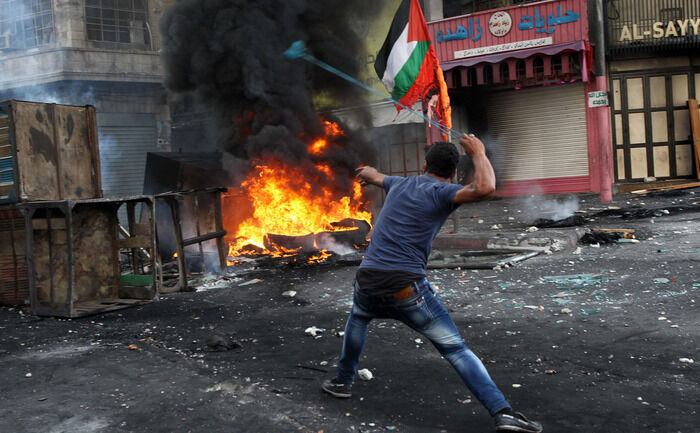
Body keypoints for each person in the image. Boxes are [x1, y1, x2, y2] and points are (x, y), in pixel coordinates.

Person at [321, 134, 543, 433]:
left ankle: (342, 381)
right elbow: (486, 187)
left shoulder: (399, 183)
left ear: (424, 165)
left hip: (368, 280)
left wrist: (364, 172)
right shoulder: (444, 192)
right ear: (453, 173)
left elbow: (374, 175)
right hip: (406, 288)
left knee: (358, 319)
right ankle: (503, 412)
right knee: (455, 349)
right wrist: (478, 152)